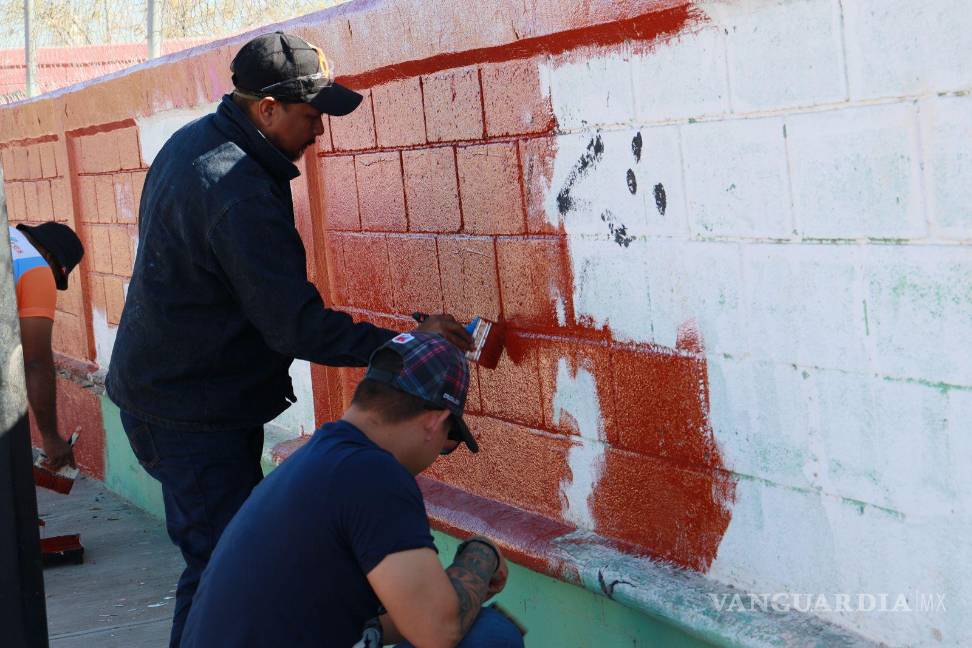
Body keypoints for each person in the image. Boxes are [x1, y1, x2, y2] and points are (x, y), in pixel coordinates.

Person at [105, 32, 472, 647]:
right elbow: (293, 325)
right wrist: (408, 347)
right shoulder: (238, 190)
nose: (320, 131)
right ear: (267, 109)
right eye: (311, 115)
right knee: (220, 572)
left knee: (221, 565)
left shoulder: (199, 142)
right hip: (191, 414)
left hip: (172, 396)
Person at [180, 332, 523, 648]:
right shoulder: (374, 474)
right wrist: (482, 555)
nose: (437, 454)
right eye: (450, 440)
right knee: (490, 635)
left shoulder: (318, 460)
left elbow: (378, 621)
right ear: (435, 420)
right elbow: (437, 631)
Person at [8, 222, 84, 470]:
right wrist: (50, 436)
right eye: (56, 277)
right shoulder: (35, 267)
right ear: (51, 259)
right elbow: (35, 361)